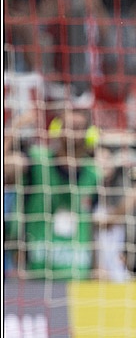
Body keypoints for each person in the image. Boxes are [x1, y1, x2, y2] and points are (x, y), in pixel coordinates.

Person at [5, 106, 100, 280]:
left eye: (78, 128)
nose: (72, 133)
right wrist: (15, 127)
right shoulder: (36, 161)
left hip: (77, 273)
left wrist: (96, 269)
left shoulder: (94, 173)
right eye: (68, 127)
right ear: (57, 129)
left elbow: (93, 226)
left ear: (88, 133)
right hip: (35, 273)